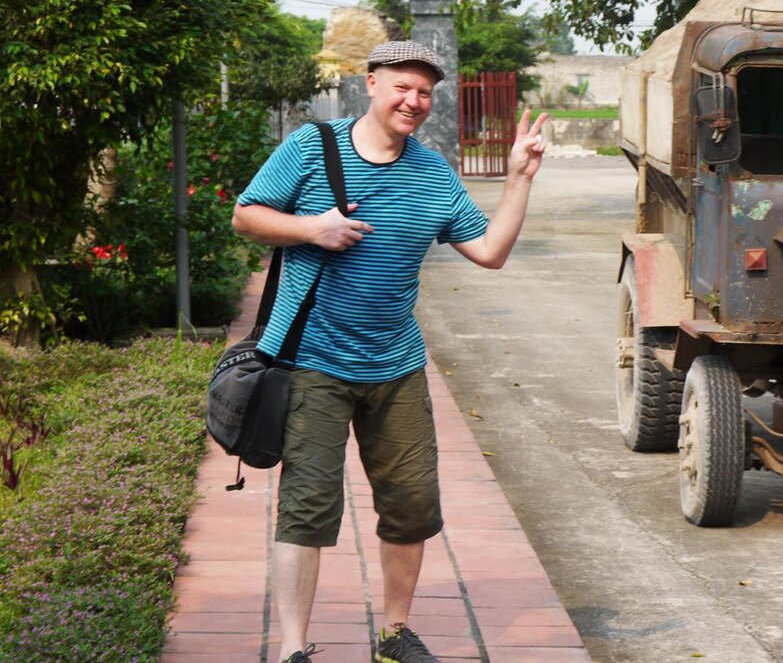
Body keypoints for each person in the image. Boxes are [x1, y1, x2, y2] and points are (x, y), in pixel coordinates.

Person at [231, 40, 548, 663]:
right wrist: (310, 228)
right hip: (312, 360)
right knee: (308, 507)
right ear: (371, 84)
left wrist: (518, 179)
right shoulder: (310, 148)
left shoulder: (433, 175)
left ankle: (395, 634)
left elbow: (490, 252)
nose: (414, 100)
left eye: (425, 92)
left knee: (410, 505)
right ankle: (293, 648)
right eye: (402, 86)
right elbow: (245, 216)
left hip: (397, 366)